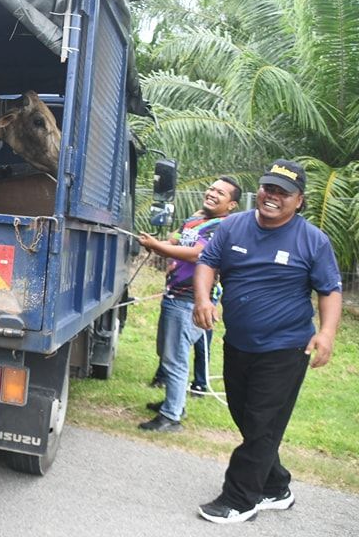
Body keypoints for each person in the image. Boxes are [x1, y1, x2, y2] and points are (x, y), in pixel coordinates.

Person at [193, 159, 342, 524]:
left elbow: (330, 290)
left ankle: (239, 499)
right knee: (248, 418)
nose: (272, 196)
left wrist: (326, 333)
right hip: (239, 343)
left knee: (261, 423)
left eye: (283, 192)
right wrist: (203, 299)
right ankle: (277, 487)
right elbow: (207, 262)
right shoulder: (233, 226)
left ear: (299, 200)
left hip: (285, 348)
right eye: (268, 188)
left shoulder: (312, 240)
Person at [137, 176, 241, 432]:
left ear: (231, 205)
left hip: (190, 300)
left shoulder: (223, 227)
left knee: (176, 358)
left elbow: (198, 254)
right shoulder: (194, 220)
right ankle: (175, 403)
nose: (212, 193)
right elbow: (173, 241)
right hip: (172, 296)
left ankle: (171, 417)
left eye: (220, 193)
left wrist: (157, 247)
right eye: (211, 189)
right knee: (167, 352)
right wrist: (155, 242)